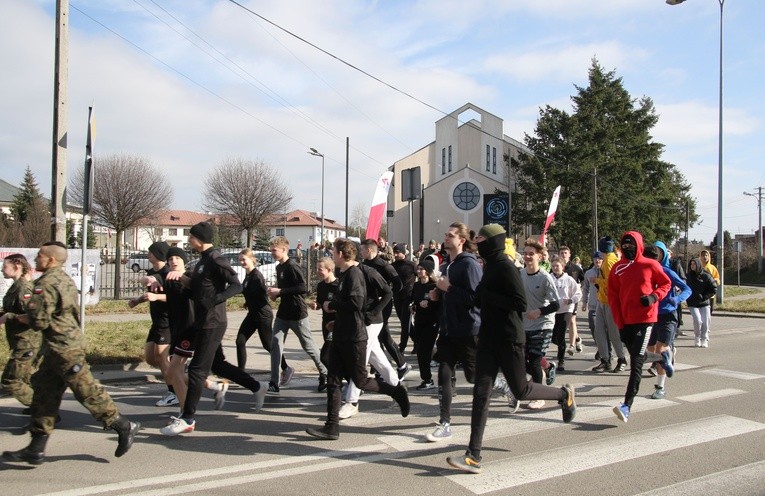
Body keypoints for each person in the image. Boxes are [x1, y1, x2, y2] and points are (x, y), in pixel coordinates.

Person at [446, 224, 576, 474]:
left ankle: (563, 394)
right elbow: (478, 299)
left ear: (494, 241)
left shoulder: (505, 267)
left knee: (522, 390)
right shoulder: (488, 266)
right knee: (481, 394)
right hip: (488, 339)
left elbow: (519, 302)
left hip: (509, 339)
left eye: (483, 238)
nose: (478, 241)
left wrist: (488, 296)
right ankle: (473, 455)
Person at [2, 242, 140, 464]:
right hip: (59, 348)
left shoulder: (45, 284)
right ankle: (35, 448)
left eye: (40, 255)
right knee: (44, 395)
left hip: (65, 349)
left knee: (86, 391)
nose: (36, 259)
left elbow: (38, 321)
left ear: (51, 260)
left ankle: (124, 425)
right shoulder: (64, 279)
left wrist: (12, 317)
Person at [160, 222, 266, 436]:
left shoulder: (216, 259)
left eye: (191, 237)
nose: (189, 240)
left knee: (197, 370)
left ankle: (187, 418)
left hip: (213, 321)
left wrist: (214, 301)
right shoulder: (202, 261)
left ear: (200, 238)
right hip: (202, 321)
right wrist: (182, 279)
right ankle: (257, 386)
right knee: (219, 365)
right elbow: (199, 290)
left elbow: (237, 285)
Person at [305, 238, 409, 440]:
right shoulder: (345, 274)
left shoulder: (355, 274)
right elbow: (350, 306)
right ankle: (331, 427)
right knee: (333, 380)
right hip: (342, 333)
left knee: (360, 380)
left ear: (341, 254)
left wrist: (333, 306)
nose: (332, 255)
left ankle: (396, 392)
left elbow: (356, 303)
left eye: (333, 252)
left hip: (354, 337)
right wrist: (336, 322)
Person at [424, 222, 482, 442]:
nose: (445, 238)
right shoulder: (449, 265)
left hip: (468, 329)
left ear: (462, 240)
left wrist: (447, 288)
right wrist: (437, 295)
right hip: (448, 329)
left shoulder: (469, 265)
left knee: (474, 375)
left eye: (450, 235)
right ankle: (445, 422)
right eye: (446, 234)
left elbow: (475, 298)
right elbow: (450, 292)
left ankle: (501, 384)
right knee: (444, 372)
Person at [609, 231, 673, 423]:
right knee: (640, 355)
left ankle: (627, 405)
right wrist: (619, 323)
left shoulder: (650, 264)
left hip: (645, 319)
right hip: (625, 321)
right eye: (625, 245)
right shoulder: (617, 269)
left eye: (631, 245)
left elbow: (666, 283)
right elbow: (613, 298)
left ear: (639, 246)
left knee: (636, 362)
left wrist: (654, 297)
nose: (628, 248)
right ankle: (662, 357)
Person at [339, 250, 399, 419]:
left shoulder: (369, 272)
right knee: (375, 356)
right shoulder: (346, 273)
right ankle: (397, 386)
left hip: (373, 321)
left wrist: (374, 312)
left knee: (359, 358)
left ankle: (352, 402)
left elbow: (388, 292)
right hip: (360, 321)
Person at [266, 236, 328, 393]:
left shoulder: (292, 266)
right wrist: (276, 295)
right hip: (283, 314)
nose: (271, 252)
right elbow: (285, 290)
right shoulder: (279, 267)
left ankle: (325, 372)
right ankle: (274, 381)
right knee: (275, 345)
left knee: (308, 346)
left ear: (284, 250)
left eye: (274, 250)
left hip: (298, 314)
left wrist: (280, 291)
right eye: (271, 250)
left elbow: (302, 288)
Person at [128, 241, 177, 407]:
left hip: (168, 321)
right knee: (150, 358)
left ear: (158, 254)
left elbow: (175, 297)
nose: (148, 255)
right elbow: (148, 286)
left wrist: (156, 294)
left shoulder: (168, 272)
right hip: (156, 322)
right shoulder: (151, 271)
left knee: (162, 358)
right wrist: (137, 300)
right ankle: (176, 373)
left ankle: (174, 392)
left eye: (151, 252)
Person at [644, 241, 690, 399]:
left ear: (663, 255)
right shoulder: (646, 272)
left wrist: (677, 300)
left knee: (659, 351)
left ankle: (660, 387)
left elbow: (686, 288)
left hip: (668, 315)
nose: (656, 257)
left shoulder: (667, 272)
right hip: (652, 316)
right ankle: (670, 351)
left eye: (659, 253)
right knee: (650, 351)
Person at [235, 248, 291, 378]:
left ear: (252, 259)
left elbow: (262, 293)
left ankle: (286, 368)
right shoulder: (248, 275)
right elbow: (250, 293)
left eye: (244, 259)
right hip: (252, 314)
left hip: (262, 315)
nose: (242, 262)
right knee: (240, 341)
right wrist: (247, 302)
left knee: (268, 345)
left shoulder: (256, 276)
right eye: (240, 260)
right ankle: (240, 373)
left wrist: (269, 293)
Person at [360, 239, 410, 379]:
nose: (360, 252)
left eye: (362, 250)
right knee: (380, 337)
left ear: (369, 250)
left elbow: (398, 284)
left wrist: (387, 295)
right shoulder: (364, 265)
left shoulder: (384, 266)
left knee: (382, 335)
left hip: (383, 304)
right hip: (371, 304)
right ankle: (393, 366)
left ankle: (397, 366)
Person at [520, 240, 559, 404]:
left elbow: (556, 304)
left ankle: (539, 397)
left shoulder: (545, 278)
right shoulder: (520, 274)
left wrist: (539, 312)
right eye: (526, 253)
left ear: (540, 257)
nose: (527, 257)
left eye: (531, 254)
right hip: (525, 325)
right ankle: (548, 367)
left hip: (543, 325)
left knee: (535, 361)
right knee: (521, 362)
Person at [0, 254, 40, 410]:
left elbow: (34, 317)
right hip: (20, 342)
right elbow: (12, 309)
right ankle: (42, 412)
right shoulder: (16, 286)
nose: (2, 269)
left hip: (27, 343)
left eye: (5, 266)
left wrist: (8, 317)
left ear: (16, 267)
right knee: (26, 380)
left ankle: (42, 410)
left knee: (10, 381)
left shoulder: (24, 288)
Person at [592, 236, 628, 373]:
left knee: (613, 333)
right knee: (599, 331)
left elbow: (610, 283)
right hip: (602, 300)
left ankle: (621, 358)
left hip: (610, 302)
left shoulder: (609, 261)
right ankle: (605, 360)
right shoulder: (609, 259)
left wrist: (596, 280)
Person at [411, 257, 440, 390]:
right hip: (419, 321)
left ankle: (428, 379)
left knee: (424, 351)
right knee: (421, 352)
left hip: (432, 322)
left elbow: (440, 304)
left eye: (422, 269)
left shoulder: (434, 286)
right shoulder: (416, 286)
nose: (419, 271)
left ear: (428, 271)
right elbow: (414, 300)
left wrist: (430, 303)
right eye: (418, 268)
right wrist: (415, 305)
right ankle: (427, 378)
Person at [550, 256, 582, 372]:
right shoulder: (550, 278)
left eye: (557, 266)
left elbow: (578, 294)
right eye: (553, 266)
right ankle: (560, 345)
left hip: (566, 310)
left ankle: (561, 360)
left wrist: (570, 300)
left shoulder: (569, 280)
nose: (554, 268)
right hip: (553, 310)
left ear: (562, 267)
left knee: (561, 334)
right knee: (554, 337)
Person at [311, 256, 338, 368]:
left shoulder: (339, 285)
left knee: (325, 356)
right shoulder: (321, 286)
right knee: (333, 355)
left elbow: (348, 305)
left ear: (329, 269)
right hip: (325, 323)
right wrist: (316, 305)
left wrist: (333, 307)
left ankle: (341, 377)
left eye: (320, 269)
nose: (318, 272)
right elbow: (320, 303)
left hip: (337, 323)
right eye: (317, 269)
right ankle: (334, 380)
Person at [685, 257, 717, 348]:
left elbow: (713, 288)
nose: (692, 266)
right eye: (691, 264)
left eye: (694, 264)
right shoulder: (688, 276)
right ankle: (697, 338)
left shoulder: (706, 276)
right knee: (698, 320)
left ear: (698, 264)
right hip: (692, 303)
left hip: (704, 303)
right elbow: (683, 287)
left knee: (705, 322)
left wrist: (704, 297)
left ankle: (704, 338)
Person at [392, 243, 417, 353]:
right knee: (404, 322)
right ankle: (417, 341)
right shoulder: (392, 266)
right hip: (397, 297)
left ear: (403, 253)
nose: (396, 255)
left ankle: (402, 347)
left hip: (408, 297)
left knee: (405, 323)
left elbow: (421, 276)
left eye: (398, 253)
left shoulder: (411, 265)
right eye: (395, 253)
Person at [558, 245, 585, 353]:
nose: (563, 255)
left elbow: (583, 280)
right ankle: (577, 339)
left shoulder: (575, 268)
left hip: (572, 299)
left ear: (569, 255)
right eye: (561, 253)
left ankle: (572, 346)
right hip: (561, 300)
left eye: (565, 253)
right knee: (565, 322)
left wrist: (579, 289)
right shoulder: (556, 267)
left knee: (572, 321)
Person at [581, 252, 603, 345]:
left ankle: (604, 348)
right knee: (593, 326)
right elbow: (585, 288)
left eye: (599, 258)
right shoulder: (588, 273)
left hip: (604, 305)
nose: (597, 260)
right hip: (593, 305)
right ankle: (599, 345)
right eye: (595, 258)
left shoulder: (606, 271)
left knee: (604, 329)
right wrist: (584, 302)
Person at [699, 249, 720, 314]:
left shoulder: (712, 268)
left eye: (706, 255)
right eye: (703, 255)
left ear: (709, 257)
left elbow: (717, 278)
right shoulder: (698, 267)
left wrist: (716, 281)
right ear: (700, 257)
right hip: (700, 293)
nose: (704, 257)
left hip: (710, 293)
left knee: (709, 311)